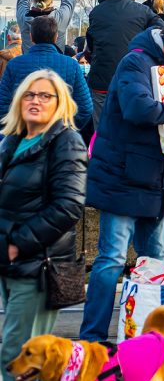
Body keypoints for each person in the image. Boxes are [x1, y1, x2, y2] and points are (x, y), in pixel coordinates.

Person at [79, 16, 164, 342]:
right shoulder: (134, 61)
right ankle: (93, 339)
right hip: (122, 178)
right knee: (111, 260)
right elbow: (137, 108)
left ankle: (149, 340)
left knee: (156, 265)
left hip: (154, 182)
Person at [0, 69, 87, 377]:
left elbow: (69, 206)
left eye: (44, 95)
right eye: (29, 94)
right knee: (19, 354)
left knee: (18, 356)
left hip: (37, 264)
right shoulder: (12, 140)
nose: (35, 100)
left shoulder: (66, 142)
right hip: (11, 262)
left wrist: (17, 243)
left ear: (59, 102)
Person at [86, 0, 164, 127]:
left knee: (102, 128)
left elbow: (92, 45)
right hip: (134, 79)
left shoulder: (96, 12)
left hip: (102, 83)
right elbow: (163, 31)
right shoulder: (142, 11)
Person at [0, 17, 92, 132]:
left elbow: (3, 105)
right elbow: (85, 108)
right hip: (59, 136)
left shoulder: (14, 65)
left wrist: (16, 130)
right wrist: (66, 128)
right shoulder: (71, 65)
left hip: (24, 134)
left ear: (31, 37)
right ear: (56, 37)